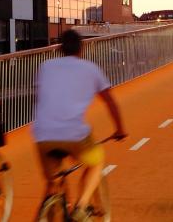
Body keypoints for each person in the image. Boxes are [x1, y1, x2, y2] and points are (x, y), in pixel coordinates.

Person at [32, 30, 126, 222]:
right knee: (96, 162)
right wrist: (120, 129)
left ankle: (51, 204)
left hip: (42, 134)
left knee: (53, 183)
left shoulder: (45, 66)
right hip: (74, 134)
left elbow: (43, 96)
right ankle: (81, 207)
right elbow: (110, 102)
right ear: (81, 48)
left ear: (59, 48)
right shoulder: (90, 68)